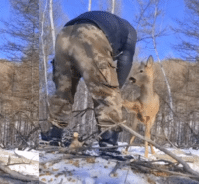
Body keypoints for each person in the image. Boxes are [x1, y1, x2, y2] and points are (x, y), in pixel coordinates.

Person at [45, 11, 137, 151]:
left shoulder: (112, 23)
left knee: (63, 91)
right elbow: (126, 61)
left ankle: (53, 138)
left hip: (64, 34)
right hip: (90, 33)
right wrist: (116, 90)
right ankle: (108, 146)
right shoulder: (130, 32)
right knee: (107, 92)